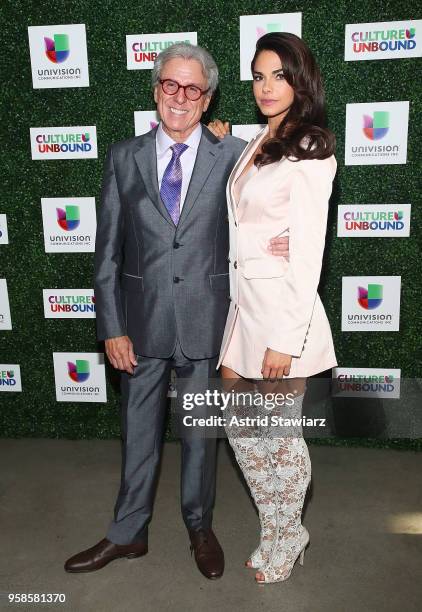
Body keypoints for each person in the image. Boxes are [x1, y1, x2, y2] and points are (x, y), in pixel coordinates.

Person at [64, 42, 289, 580]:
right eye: (170, 84)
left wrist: (279, 245)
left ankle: (199, 526)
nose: (180, 96)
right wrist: (111, 327)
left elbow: (265, 212)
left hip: (207, 323)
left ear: (208, 98)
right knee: (137, 436)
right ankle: (128, 533)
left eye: (192, 88)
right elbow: (108, 251)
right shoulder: (123, 156)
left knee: (199, 440)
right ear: (156, 89)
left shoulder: (234, 153)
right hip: (139, 328)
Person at [215, 32, 337, 584]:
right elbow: (248, 221)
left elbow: (309, 252)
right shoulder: (257, 142)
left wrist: (285, 338)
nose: (266, 86)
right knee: (243, 436)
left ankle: (289, 536)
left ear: (299, 80)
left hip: (284, 320)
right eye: (259, 76)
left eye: (278, 76)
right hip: (242, 313)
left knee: (280, 442)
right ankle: (276, 527)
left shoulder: (312, 149)